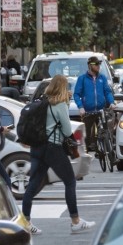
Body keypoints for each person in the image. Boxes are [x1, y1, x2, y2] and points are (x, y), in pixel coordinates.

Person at [22, 75, 95, 235]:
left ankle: (25, 221)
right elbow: (67, 131)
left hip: (37, 147)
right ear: (62, 88)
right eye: (67, 87)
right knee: (69, 182)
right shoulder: (60, 104)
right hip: (52, 148)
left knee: (33, 183)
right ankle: (75, 221)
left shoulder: (43, 102)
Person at [73, 56, 115, 152]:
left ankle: (107, 149)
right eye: (96, 64)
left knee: (104, 130)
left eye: (99, 64)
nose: (98, 66)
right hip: (88, 111)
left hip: (101, 110)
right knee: (87, 135)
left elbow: (107, 92)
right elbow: (76, 94)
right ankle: (89, 148)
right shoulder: (82, 79)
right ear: (89, 65)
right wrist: (80, 107)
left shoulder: (102, 78)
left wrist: (112, 102)